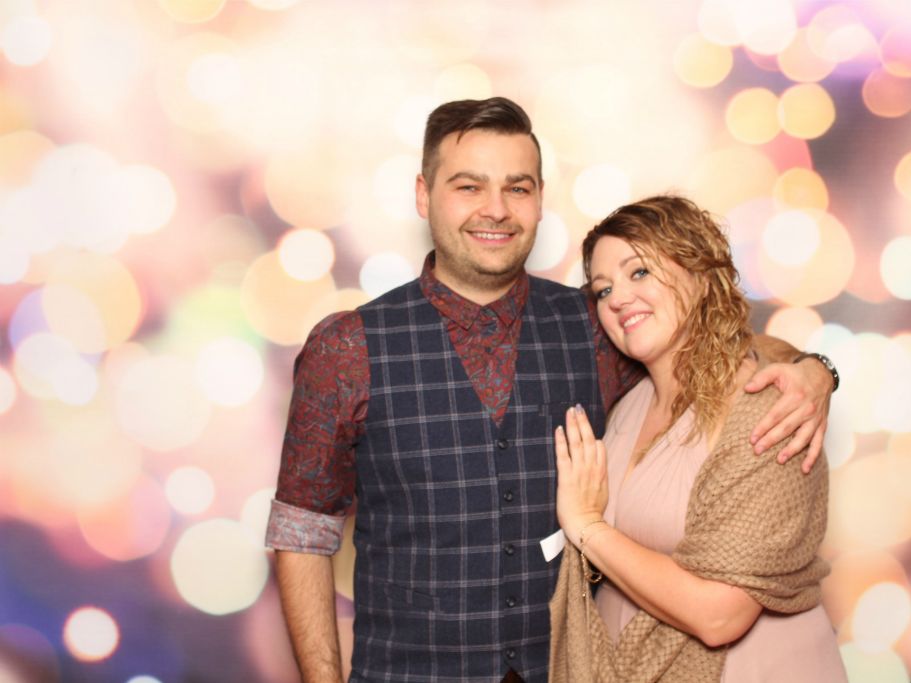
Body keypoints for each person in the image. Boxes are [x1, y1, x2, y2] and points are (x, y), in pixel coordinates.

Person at [266, 98, 839, 682]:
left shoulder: (599, 322)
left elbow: (712, 343)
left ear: (540, 199)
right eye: (469, 186)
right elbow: (302, 532)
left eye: (517, 188)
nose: (496, 209)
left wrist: (813, 370)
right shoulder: (347, 347)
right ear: (423, 194)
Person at [549, 195, 846, 682]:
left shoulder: (769, 409)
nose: (618, 298)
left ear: (700, 274)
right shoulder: (627, 405)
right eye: (603, 290)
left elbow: (720, 615)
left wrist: (585, 525)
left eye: (639, 272)